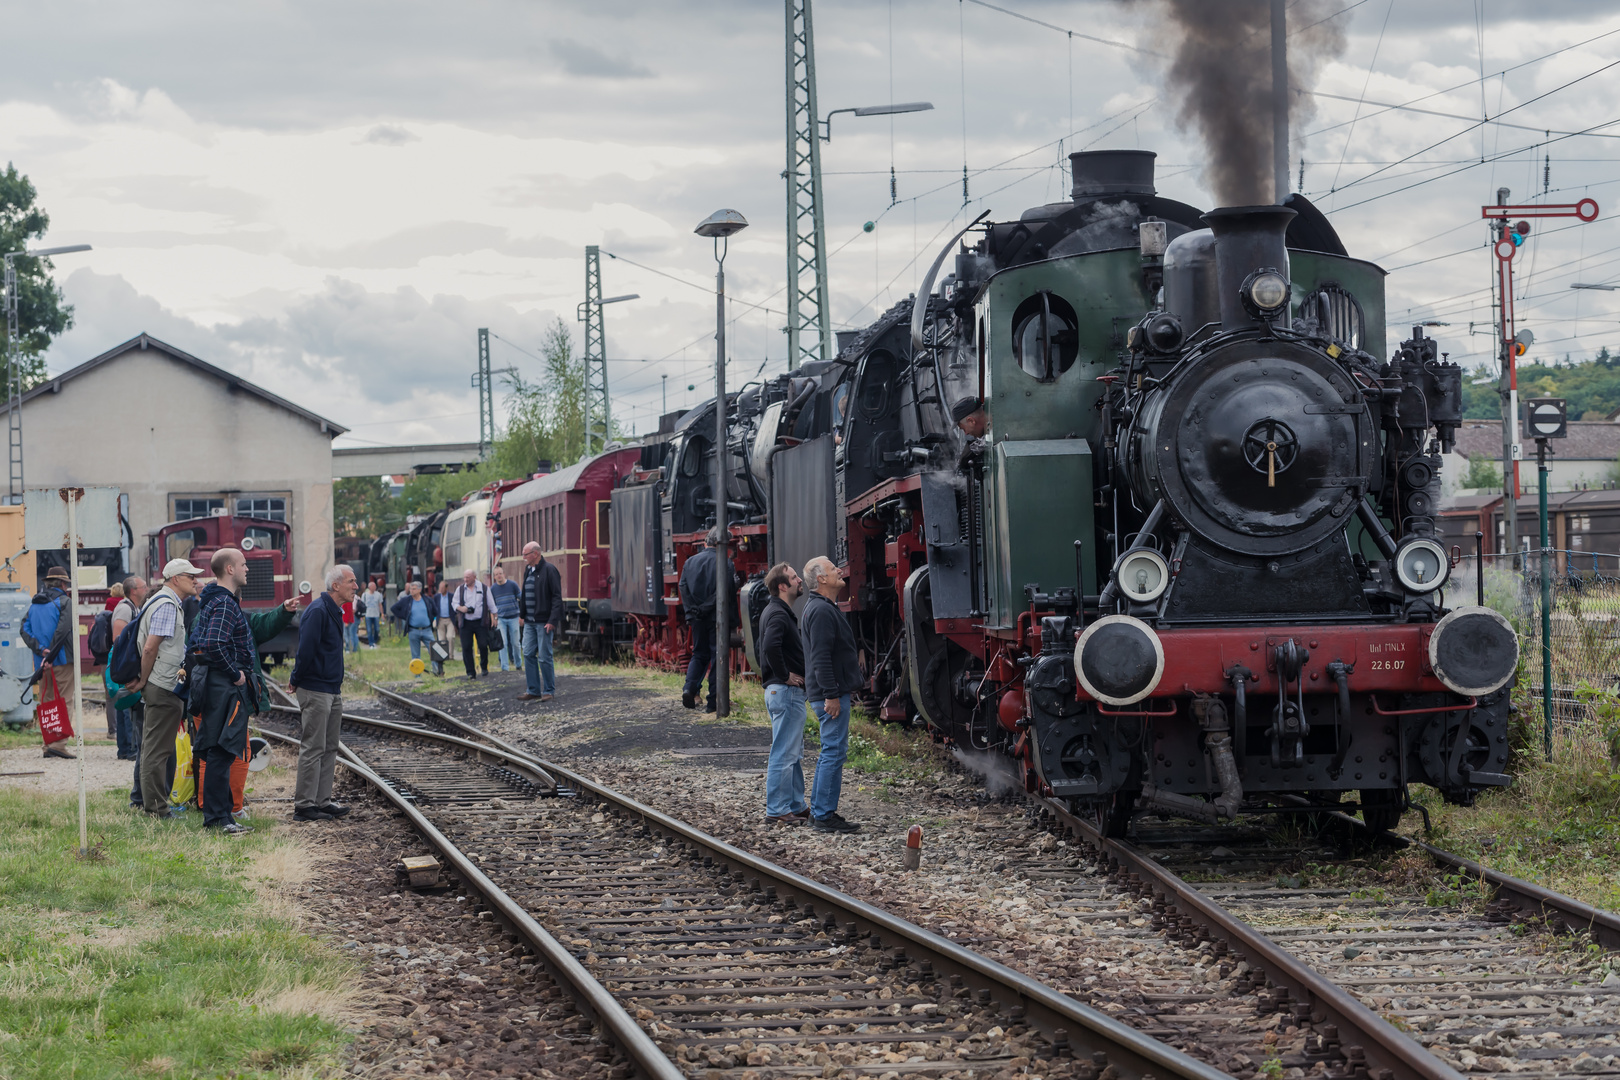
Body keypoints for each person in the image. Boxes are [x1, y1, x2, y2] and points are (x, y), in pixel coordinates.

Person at [187, 548, 264, 834]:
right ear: (230, 569)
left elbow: (202, 642)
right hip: (225, 687)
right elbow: (213, 645)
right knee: (221, 750)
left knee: (217, 750)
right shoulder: (224, 604)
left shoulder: (213, 601)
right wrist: (237, 675)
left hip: (216, 684)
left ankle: (221, 817)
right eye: (243, 564)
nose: (247, 569)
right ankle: (218, 819)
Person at [126, 559, 201, 818]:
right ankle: (156, 810)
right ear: (175, 579)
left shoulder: (160, 602)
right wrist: (145, 680)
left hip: (160, 683)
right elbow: (150, 647)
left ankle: (154, 805)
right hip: (163, 684)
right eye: (190, 575)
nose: (195, 580)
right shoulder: (167, 605)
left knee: (153, 749)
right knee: (157, 752)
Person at [288, 563, 357, 823]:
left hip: (331, 689)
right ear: (336, 585)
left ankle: (322, 801)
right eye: (352, 581)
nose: (356, 586)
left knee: (329, 747)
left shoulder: (334, 611)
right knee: (313, 747)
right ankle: (304, 805)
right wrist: (295, 679)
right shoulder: (317, 611)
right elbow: (305, 652)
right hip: (315, 689)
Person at [800, 556, 862, 834]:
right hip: (831, 693)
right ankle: (823, 814)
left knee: (832, 751)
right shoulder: (822, 611)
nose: (839, 570)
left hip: (830, 690)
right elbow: (821, 657)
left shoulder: (821, 608)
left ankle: (820, 812)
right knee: (833, 751)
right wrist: (831, 695)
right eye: (832, 568)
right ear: (822, 579)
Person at [757, 562, 809, 826]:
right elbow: (769, 646)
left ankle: (796, 805)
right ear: (782, 586)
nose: (800, 580)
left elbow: (762, 648)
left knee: (793, 753)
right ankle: (777, 809)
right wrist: (785, 674)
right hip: (786, 691)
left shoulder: (773, 611)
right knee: (784, 754)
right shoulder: (778, 613)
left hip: (782, 691)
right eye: (794, 577)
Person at [22, 566, 79, 760]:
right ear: (63, 584)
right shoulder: (65, 602)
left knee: (47, 701)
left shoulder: (35, 604)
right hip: (61, 661)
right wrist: (52, 655)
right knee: (64, 700)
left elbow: (24, 629)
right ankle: (59, 744)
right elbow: (62, 631)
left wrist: (41, 651)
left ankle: (48, 743)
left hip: (41, 663)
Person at [678, 528, 735, 713]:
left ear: (705, 542)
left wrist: (692, 610)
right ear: (723, 544)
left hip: (696, 618)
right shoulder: (725, 563)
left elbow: (683, 587)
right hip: (715, 618)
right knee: (717, 656)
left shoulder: (690, 562)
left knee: (698, 653)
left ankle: (689, 688)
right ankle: (713, 703)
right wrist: (708, 609)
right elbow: (724, 592)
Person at [110, 575, 149, 764]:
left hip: (127, 662)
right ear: (134, 590)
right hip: (125, 664)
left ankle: (126, 748)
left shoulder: (133, 607)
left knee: (128, 706)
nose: (147, 589)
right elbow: (118, 637)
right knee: (127, 705)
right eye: (143, 586)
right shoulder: (125, 609)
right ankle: (128, 749)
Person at [517, 541, 563, 702]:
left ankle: (549, 690)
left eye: (525, 554)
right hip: (529, 622)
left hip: (544, 622)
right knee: (528, 653)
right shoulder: (528, 570)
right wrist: (522, 614)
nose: (523, 557)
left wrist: (552, 620)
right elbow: (524, 593)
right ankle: (533, 690)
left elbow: (557, 597)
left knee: (544, 656)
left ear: (535, 554)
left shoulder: (550, 570)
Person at [453, 568, 493, 678]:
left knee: (483, 645)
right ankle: (470, 672)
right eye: (464, 577)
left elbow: (490, 603)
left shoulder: (484, 588)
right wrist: (461, 608)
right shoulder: (460, 589)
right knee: (466, 647)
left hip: (480, 622)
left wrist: (494, 616)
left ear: (474, 577)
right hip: (466, 623)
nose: (465, 579)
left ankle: (484, 666)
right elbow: (454, 603)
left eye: (468, 577)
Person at [393, 581, 435, 670]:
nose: (411, 591)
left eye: (414, 589)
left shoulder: (427, 599)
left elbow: (435, 611)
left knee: (434, 650)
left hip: (427, 630)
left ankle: (437, 671)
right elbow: (394, 608)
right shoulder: (406, 600)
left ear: (419, 590)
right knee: (415, 654)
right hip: (413, 630)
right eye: (411, 589)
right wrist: (404, 616)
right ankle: (417, 674)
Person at [489, 566, 521, 673]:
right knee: (503, 643)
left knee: (516, 643)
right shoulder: (493, 589)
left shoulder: (513, 585)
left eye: (500, 573)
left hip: (514, 617)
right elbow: (491, 606)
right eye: (496, 574)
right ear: (494, 577)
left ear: (504, 574)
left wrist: (522, 615)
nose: (499, 576)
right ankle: (505, 667)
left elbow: (521, 598)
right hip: (501, 619)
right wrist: (493, 618)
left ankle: (518, 664)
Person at [433, 581, 455, 676]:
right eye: (439, 587)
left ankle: (450, 655)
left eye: (442, 588)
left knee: (450, 637)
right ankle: (442, 656)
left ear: (446, 588)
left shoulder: (451, 596)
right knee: (441, 639)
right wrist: (434, 619)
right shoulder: (436, 597)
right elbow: (434, 608)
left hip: (450, 619)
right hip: (440, 619)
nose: (440, 589)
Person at [360, 580, 383, 648]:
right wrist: (361, 615)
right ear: (369, 587)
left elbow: (380, 605)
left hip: (376, 614)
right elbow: (362, 605)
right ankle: (371, 643)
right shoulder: (365, 595)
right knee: (369, 630)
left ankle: (375, 641)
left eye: (375, 586)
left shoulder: (378, 594)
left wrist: (382, 614)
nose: (374, 588)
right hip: (368, 615)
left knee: (377, 629)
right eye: (373, 586)